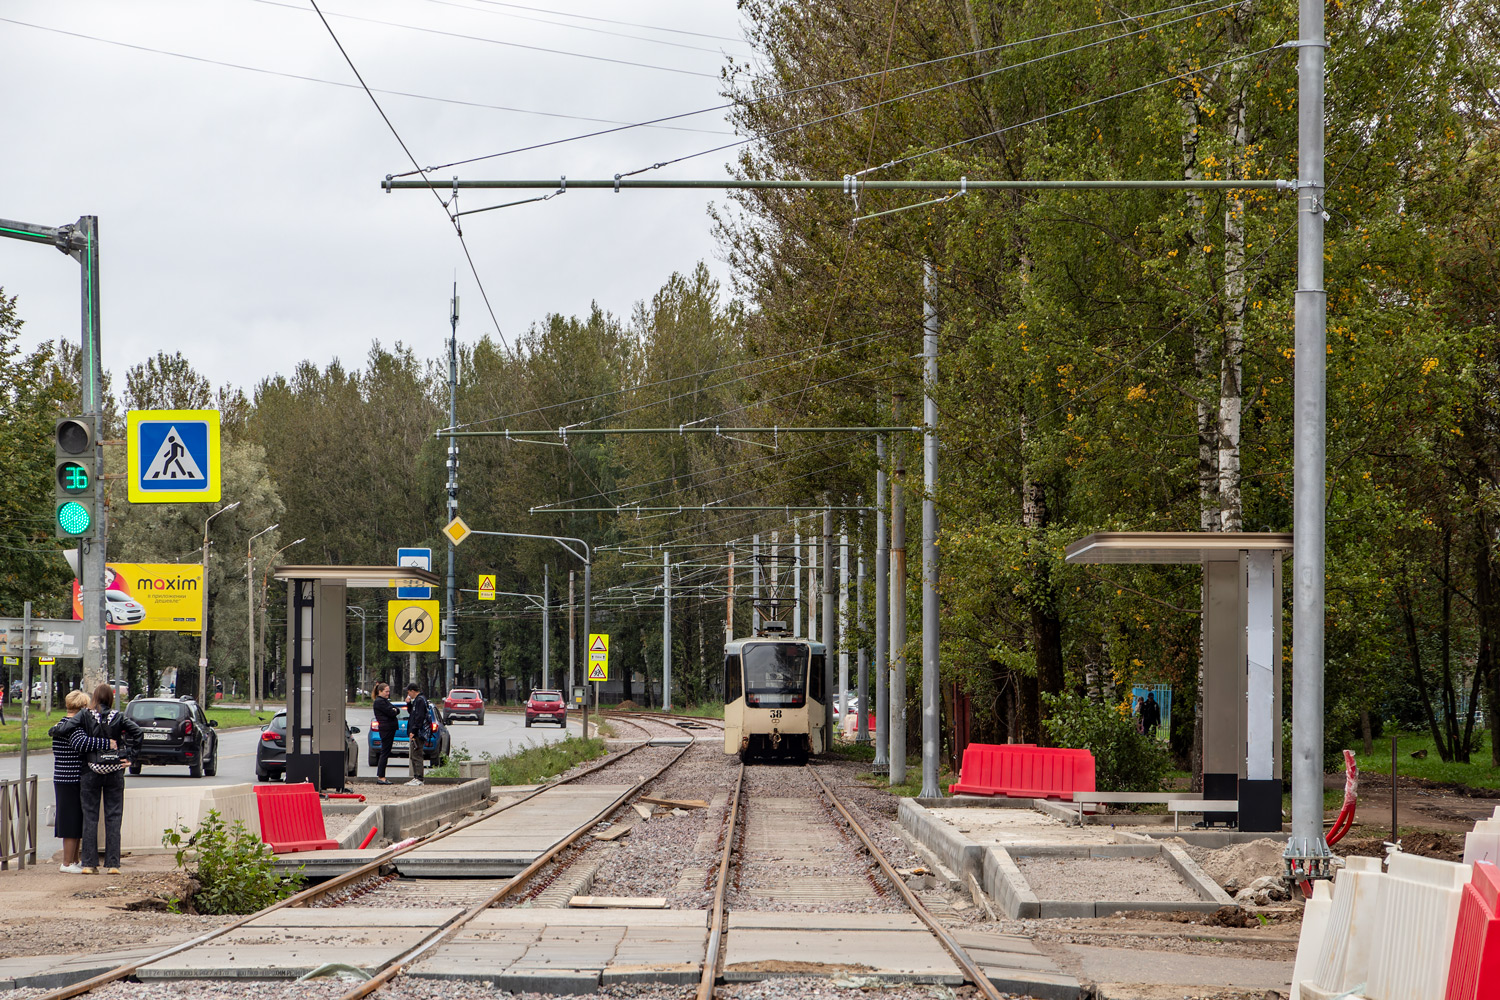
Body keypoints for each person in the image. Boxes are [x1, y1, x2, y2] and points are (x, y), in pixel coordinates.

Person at [76, 683, 142, 875]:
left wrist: (56, 730)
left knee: (90, 816)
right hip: (114, 770)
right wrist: (129, 755)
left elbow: (66, 728)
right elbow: (137, 732)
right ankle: (113, 864)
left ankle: (89, 864)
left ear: (95, 697)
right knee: (114, 816)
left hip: (90, 770)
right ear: (111, 698)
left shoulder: (85, 715)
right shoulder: (118, 717)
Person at [49, 691, 98, 873]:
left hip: (62, 776)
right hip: (72, 778)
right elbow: (82, 744)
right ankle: (67, 863)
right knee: (71, 821)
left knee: (75, 820)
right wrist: (106, 743)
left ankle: (74, 860)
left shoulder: (60, 724)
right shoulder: (74, 728)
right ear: (82, 708)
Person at [372, 683, 398, 785]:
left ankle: (382, 776)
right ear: (380, 691)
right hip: (386, 729)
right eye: (386, 691)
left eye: (388, 691)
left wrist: (394, 710)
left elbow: (397, 710)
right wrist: (394, 710)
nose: (388, 693)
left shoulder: (384, 701)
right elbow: (392, 712)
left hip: (389, 729)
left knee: (386, 752)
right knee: (385, 752)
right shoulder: (380, 702)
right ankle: (381, 777)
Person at [405, 682, 429, 786]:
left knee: (417, 755)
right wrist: (408, 704)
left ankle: (419, 778)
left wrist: (413, 731)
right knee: (413, 756)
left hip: (419, 733)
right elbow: (412, 713)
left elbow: (419, 717)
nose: (408, 694)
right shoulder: (417, 700)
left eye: (409, 692)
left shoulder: (420, 700)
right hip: (416, 732)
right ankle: (416, 777)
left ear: (413, 691)